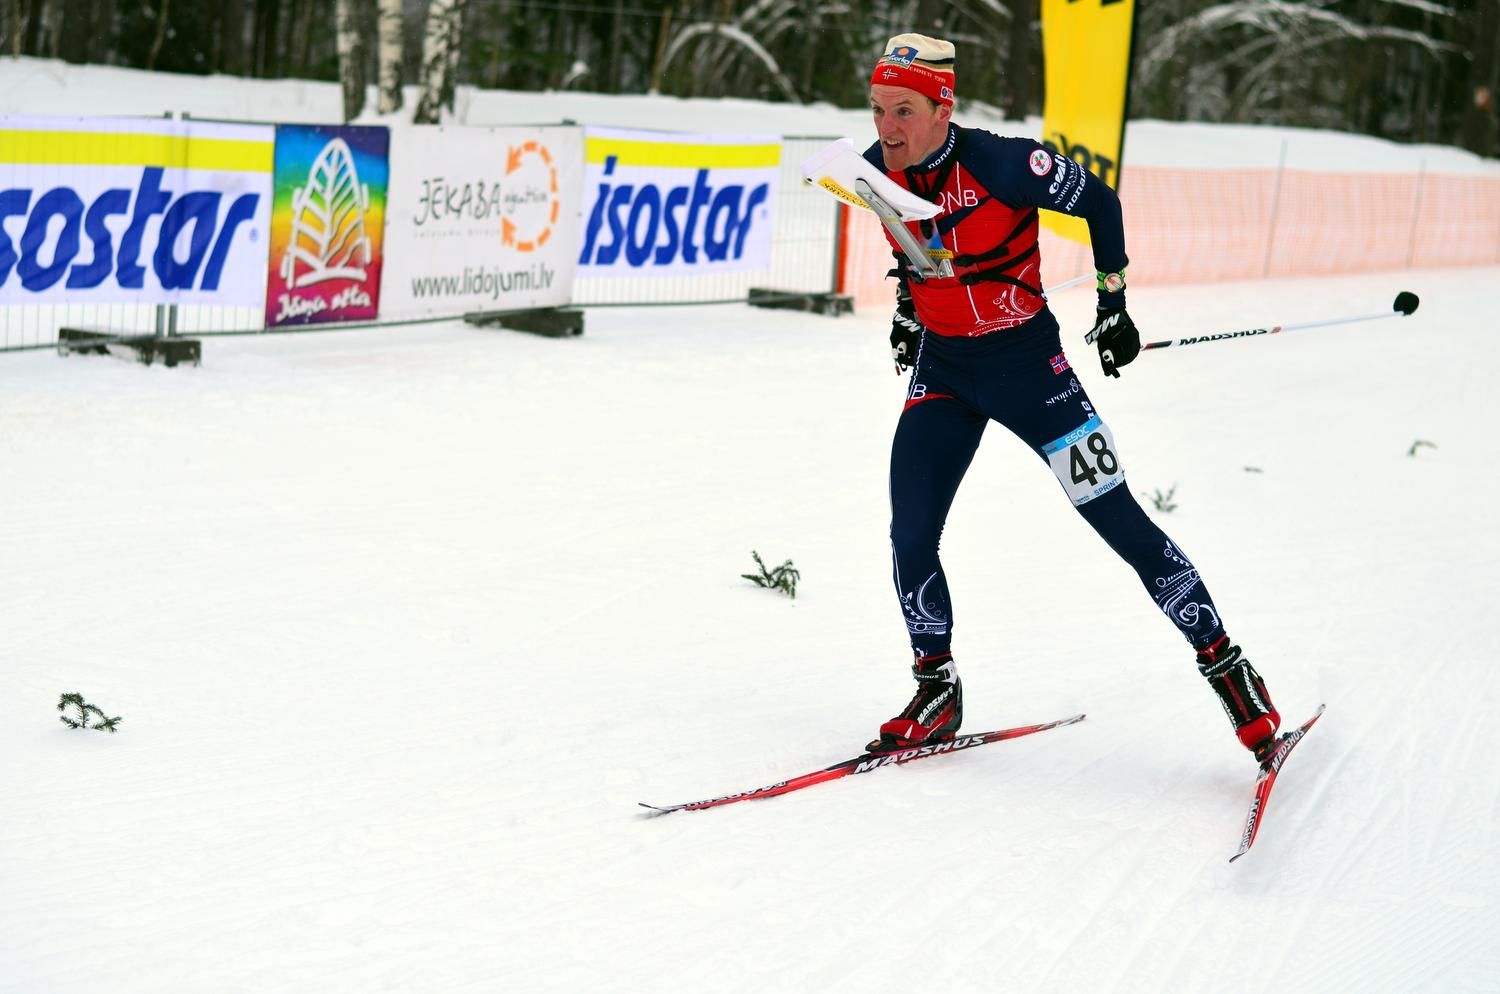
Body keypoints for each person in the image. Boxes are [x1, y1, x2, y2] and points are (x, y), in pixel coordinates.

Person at [862, 33, 1282, 763]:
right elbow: (912, 248)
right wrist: (909, 312)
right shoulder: (871, 170)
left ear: (941, 108)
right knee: (910, 531)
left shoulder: (1004, 161)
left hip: (1030, 370)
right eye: (876, 110)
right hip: (945, 370)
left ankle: (1226, 665)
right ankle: (936, 688)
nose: (887, 129)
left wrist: (1113, 305)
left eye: (902, 110)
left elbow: (1102, 203)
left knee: (1118, 520)